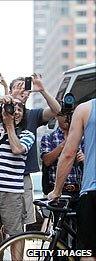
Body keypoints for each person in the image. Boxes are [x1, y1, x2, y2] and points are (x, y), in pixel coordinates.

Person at [0, 74, 61, 227]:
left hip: (22, 177)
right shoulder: (0, 118)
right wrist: (8, 100)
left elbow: (56, 110)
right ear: (11, 90)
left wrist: (42, 90)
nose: (22, 90)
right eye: (17, 87)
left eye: (25, 87)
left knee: (18, 226)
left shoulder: (32, 115)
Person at [0, 99, 35, 259]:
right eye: (12, 108)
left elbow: (17, 149)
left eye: (19, 110)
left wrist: (9, 125)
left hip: (12, 193)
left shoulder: (27, 134)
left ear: (24, 115)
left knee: (15, 235)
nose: (15, 112)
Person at [48, 98, 96, 256]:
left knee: (88, 253)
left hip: (92, 191)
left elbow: (69, 154)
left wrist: (56, 191)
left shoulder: (85, 109)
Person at [41, 111, 84, 199]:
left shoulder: (83, 138)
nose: (67, 117)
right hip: (57, 191)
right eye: (63, 114)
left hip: (80, 190)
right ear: (57, 116)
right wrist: (66, 143)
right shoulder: (49, 137)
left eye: (70, 114)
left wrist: (84, 159)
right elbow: (47, 161)